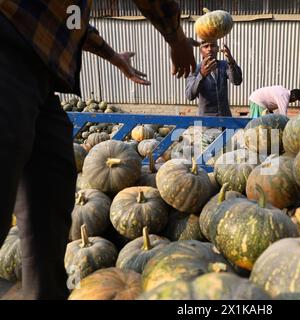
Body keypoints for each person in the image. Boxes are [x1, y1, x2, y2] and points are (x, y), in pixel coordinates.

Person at [0, 0, 196, 300]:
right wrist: (176, 37)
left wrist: (114, 57)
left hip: (38, 71)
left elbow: (67, 19)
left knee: (51, 199)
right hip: (7, 46)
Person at [186, 40, 242, 116]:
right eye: (206, 46)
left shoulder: (224, 65)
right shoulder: (195, 69)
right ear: (201, 51)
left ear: (218, 49)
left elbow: (237, 81)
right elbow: (189, 96)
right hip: (205, 120)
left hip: (225, 118)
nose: (209, 49)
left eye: (213, 45)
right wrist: (201, 75)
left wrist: (231, 61)